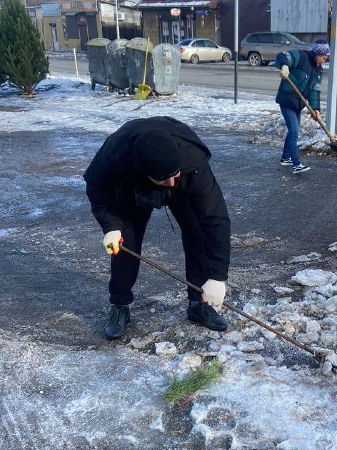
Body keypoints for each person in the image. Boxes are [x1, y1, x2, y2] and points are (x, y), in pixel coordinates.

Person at [84, 116, 231, 340]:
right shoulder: (115, 155)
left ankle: (198, 303)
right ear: (146, 173)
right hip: (133, 187)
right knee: (126, 242)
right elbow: (96, 188)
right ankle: (120, 304)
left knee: (198, 233)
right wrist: (111, 226)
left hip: (187, 180)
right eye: (164, 180)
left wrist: (218, 277)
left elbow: (216, 218)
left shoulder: (193, 160)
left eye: (174, 175)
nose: (171, 183)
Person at [274, 40, 330, 175]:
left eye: (326, 58)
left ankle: (285, 157)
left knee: (294, 131)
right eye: (323, 57)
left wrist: (315, 108)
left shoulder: (318, 69)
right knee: (294, 132)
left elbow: (314, 90)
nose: (324, 60)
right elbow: (283, 56)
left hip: (298, 103)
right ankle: (296, 164)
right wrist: (284, 66)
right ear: (317, 53)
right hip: (287, 100)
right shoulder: (301, 56)